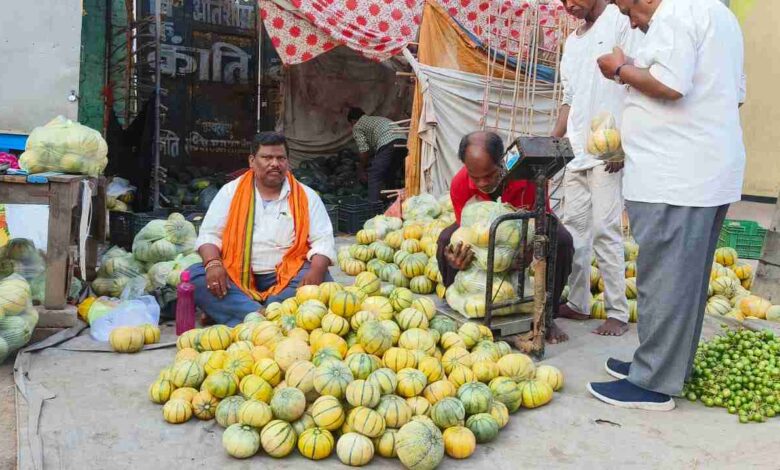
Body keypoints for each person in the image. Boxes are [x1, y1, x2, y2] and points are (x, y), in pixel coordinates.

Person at [587, 0, 746, 410]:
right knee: (682, 283)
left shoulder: (675, 12)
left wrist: (619, 70)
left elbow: (671, 84)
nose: (628, 20)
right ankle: (664, 365)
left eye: (625, 9)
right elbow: (731, 95)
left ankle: (653, 382)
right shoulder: (719, 14)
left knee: (665, 283)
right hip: (703, 172)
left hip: (676, 178)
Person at [551, 0, 640, 337]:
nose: (568, 5)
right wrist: (552, 142)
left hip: (608, 150)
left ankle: (617, 311)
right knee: (574, 229)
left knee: (605, 229)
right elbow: (568, 97)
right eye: (562, 1)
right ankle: (578, 303)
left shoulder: (620, 20)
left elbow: (633, 82)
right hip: (576, 151)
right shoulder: (572, 42)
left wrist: (622, 141)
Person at [436, 131, 575, 344]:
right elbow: (465, 231)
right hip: (481, 230)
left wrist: (528, 250)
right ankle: (457, 300)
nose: (483, 182)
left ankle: (547, 316)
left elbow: (539, 221)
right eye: (475, 177)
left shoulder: (526, 176)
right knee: (445, 240)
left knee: (563, 241)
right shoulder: (460, 184)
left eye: (490, 174)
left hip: (524, 225)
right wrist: (457, 256)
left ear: (501, 161)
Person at [189, 132, 337, 326]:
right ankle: (271, 315)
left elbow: (323, 240)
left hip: (288, 277)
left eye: (280, 158)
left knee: (322, 276)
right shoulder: (230, 192)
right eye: (267, 157)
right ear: (252, 161)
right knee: (195, 277)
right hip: (235, 274)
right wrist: (213, 264)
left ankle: (243, 312)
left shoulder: (306, 196)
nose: (275, 163)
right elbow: (209, 235)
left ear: (287, 162)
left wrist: (316, 270)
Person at [347, 107, 407, 203]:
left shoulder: (357, 126)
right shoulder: (377, 119)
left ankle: (373, 206)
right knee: (390, 172)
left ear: (353, 121)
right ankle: (392, 202)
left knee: (374, 174)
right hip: (403, 141)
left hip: (388, 142)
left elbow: (364, 151)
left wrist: (361, 168)